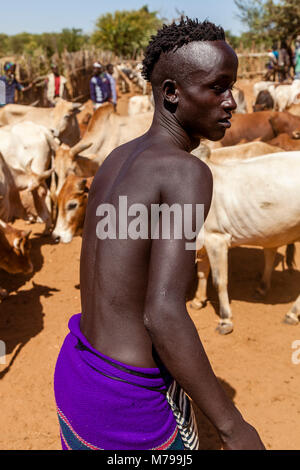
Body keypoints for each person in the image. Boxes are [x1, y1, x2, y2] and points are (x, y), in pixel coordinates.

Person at [54, 18, 265, 451]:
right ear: (171, 93)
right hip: (127, 398)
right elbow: (163, 312)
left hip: (79, 373)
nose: (232, 102)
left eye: (233, 87)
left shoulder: (115, 160)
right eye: (217, 87)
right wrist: (232, 426)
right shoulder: (187, 172)